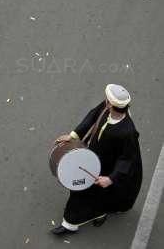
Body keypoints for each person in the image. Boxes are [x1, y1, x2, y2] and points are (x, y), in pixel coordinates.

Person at [51, 84, 143, 235]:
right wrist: (73, 135)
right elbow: (92, 116)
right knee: (82, 190)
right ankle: (81, 219)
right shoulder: (106, 108)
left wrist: (111, 178)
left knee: (85, 191)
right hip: (92, 160)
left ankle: (71, 224)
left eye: (106, 100)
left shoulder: (128, 132)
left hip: (108, 169)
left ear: (110, 104)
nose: (104, 101)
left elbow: (127, 159)